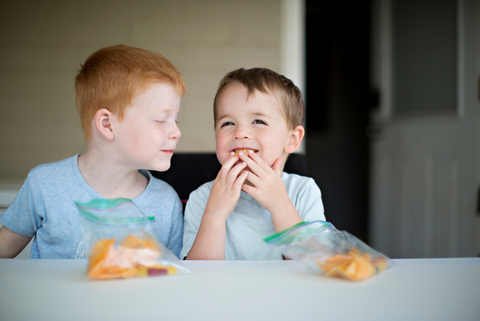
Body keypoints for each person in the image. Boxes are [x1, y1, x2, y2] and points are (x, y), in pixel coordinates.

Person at [0, 45, 186, 259]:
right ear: (107, 124)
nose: (176, 132)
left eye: (176, 120)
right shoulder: (44, 185)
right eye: (161, 120)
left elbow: (172, 280)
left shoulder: (166, 202)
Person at [181, 68, 325, 260]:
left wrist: (280, 205)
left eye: (258, 121)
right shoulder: (202, 198)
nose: (240, 133)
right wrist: (214, 215)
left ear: (291, 139)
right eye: (227, 123)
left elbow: (314, 266)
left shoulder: (303, 191)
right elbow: (198, 278)